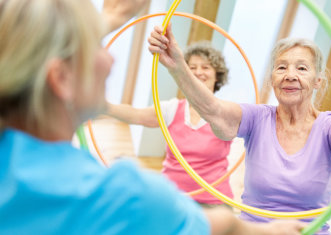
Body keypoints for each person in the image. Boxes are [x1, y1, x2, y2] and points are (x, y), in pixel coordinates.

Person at [0, 0, 306, 234]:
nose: (111, 60)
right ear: (61, 79)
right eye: (95, 46)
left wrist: (110, 20)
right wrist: (269, 230)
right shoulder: (126, 197)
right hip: (182, 201)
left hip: (212, 199)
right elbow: (224, 227)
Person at [148, 25, 331, 234]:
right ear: (272, 79)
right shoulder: (257, 118)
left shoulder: (329, 124)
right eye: (281, 67)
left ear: (319, 80)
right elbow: (214, 111)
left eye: (302, 68)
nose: (290, 74)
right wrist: (177, 66)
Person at [107, 42, 234, 207]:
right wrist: (102, 106)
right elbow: (135, 115)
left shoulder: (228, 112)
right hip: (172, 197)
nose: (198, 72)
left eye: (205, 67)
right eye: (192, 67)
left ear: (217, 75)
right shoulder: (172, 108)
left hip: (214, 200)